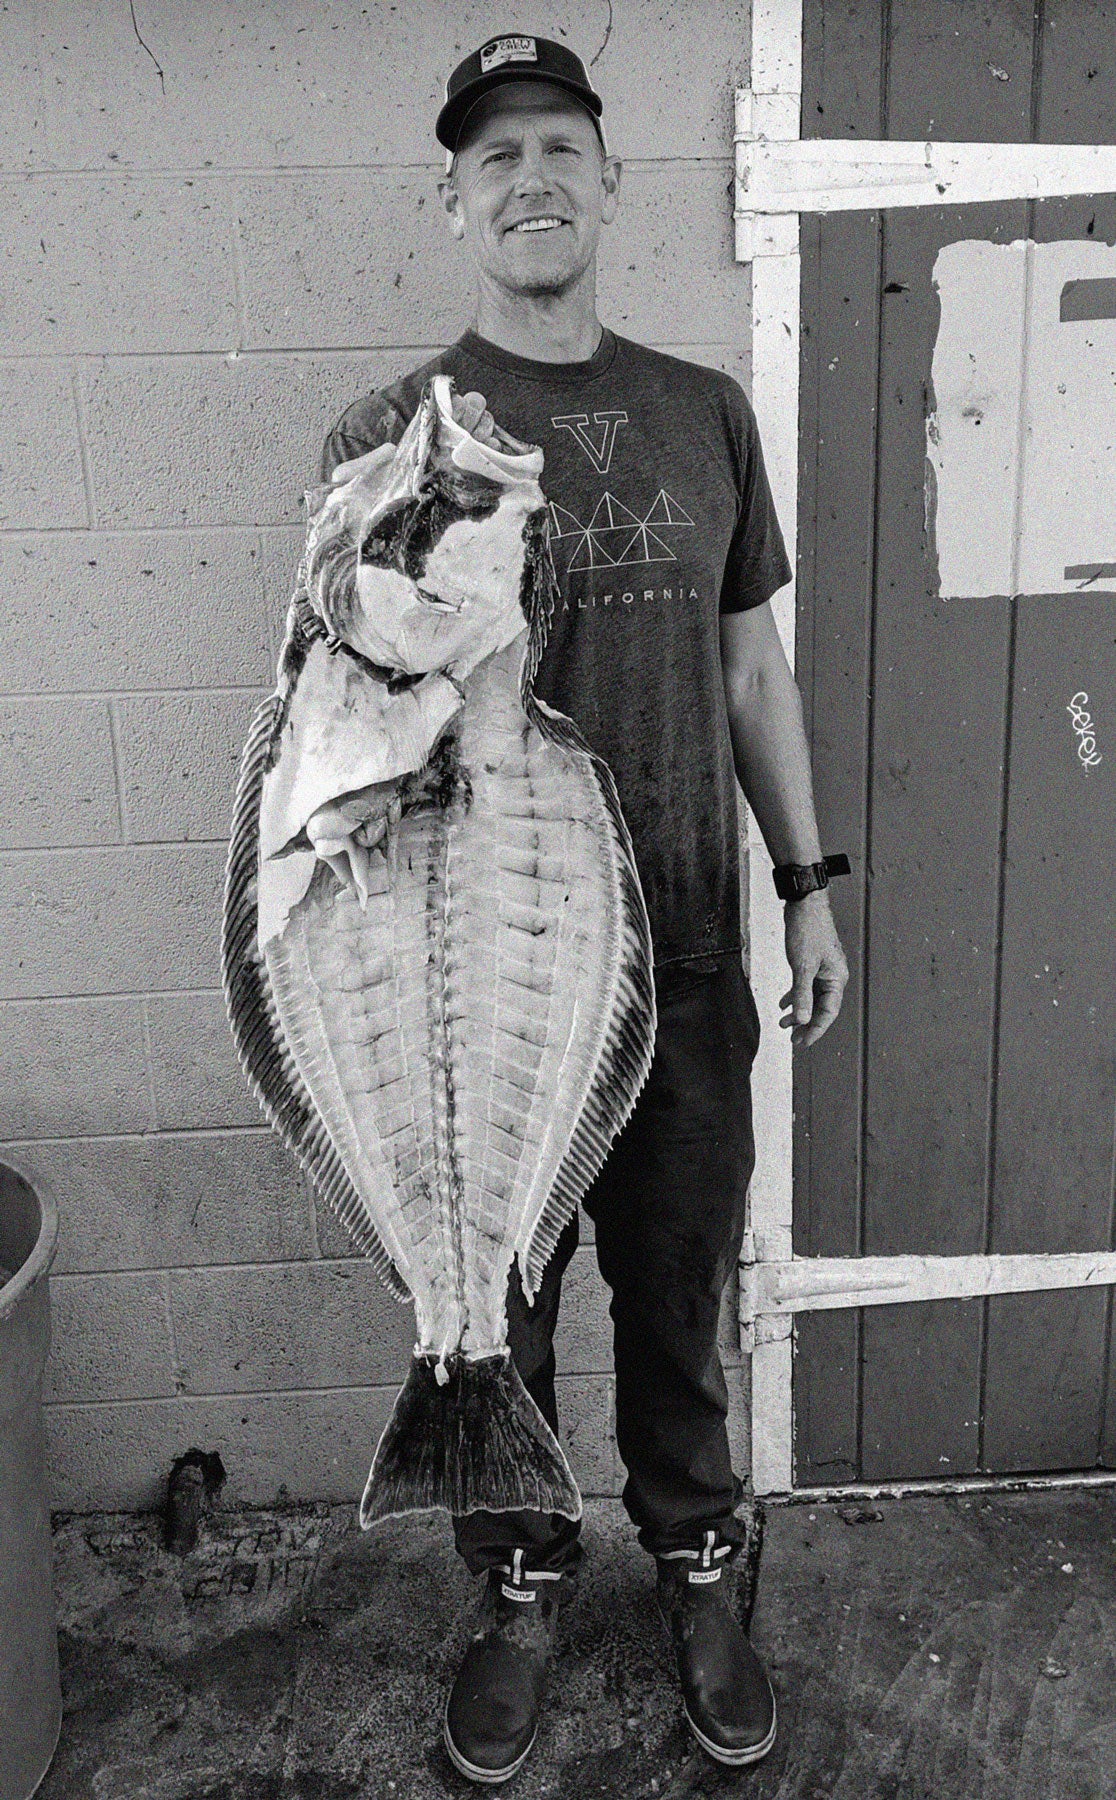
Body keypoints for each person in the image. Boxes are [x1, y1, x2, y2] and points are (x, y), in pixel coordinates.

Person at [320, 34, 849, 1784]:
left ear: (614, 183)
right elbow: (337, 719)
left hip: (686, 949)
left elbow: (752, 670)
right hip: (482, 985)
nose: (531, 176)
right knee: (501, 1304)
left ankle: (700, 1564)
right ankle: (521, 1579)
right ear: (452, 201)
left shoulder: (708, 410)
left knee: (680, 1291)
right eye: (496, 156)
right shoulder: (389, 436)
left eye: (562, 144)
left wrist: (808, 885)